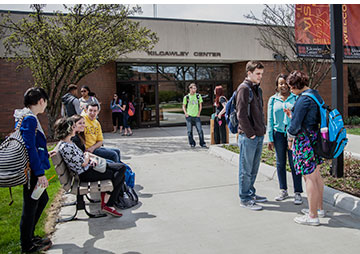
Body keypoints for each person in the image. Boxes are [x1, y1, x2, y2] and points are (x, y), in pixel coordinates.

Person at [54, 118, 125, 217]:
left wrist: (89, 158)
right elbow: (83, 163)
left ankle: (108, 199)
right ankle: (108, 203)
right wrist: (88, 157)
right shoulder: (66, 147)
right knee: (119, 172)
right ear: (68, 130)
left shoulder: (68, 143)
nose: (74, 129)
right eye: (73, 127)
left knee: (121, 168)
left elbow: (82, 157)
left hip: (89, 168)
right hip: (86, 174)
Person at [13, 87, 52, 253]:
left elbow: (35, 146)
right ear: (41, 101)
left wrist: (46, 154)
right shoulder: (29, 119)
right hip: (31, 172)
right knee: (30, 208)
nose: (45, 106)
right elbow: (30, 148)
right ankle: (26, 245)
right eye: (45, 102)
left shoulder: (25, 116)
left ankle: (29, 236)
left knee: (41, 201)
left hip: (32, 169)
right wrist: (40, 173)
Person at [286, 70, 325, 226]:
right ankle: (319, 209)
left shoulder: (303, 100)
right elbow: (308, 119)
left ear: (296, 85)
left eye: (291, 87)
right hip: (314, 138)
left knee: (308, 177)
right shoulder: (315, 95)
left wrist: (290, 137)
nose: (290, 90)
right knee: (316, 176)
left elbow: (295, 127)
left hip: (304, 141)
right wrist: (293, 116)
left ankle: (312, 215)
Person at [267, 74, 303, 205]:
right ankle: (283, 190)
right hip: (278, 135)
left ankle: (298, 192)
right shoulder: (273, 99)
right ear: (277, 85)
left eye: (285, 83)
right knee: (280, 163)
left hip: (292, 135)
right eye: (280, 83)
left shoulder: (296, 98)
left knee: (294, 164)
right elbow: (270, 119)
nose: (283, 86)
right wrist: (270, 138)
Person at [236, 61, 267, 210]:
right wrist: (251, 134)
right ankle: (245, 198)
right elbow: (240, 115)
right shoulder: (244, 89)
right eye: (258, 74)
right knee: (245, 169)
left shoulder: (256, 89)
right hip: (249, 137)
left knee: (253, 169)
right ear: (249, 73)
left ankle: (251, 192)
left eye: (261, 74)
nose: (260, 76)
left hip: (258, 134)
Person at [182, 83, 206, 148]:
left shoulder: (198, 96)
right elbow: (183, 106)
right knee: (189, 131)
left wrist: (199, 113)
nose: (195, 89)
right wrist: (185, 113)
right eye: (193, 88)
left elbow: (200, 105)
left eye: (195, 88)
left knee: (200, 130)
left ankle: (202, 143)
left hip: (196, 117)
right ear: (190, 88)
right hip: (189, 117)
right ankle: (192, 143)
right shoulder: (186, 97)